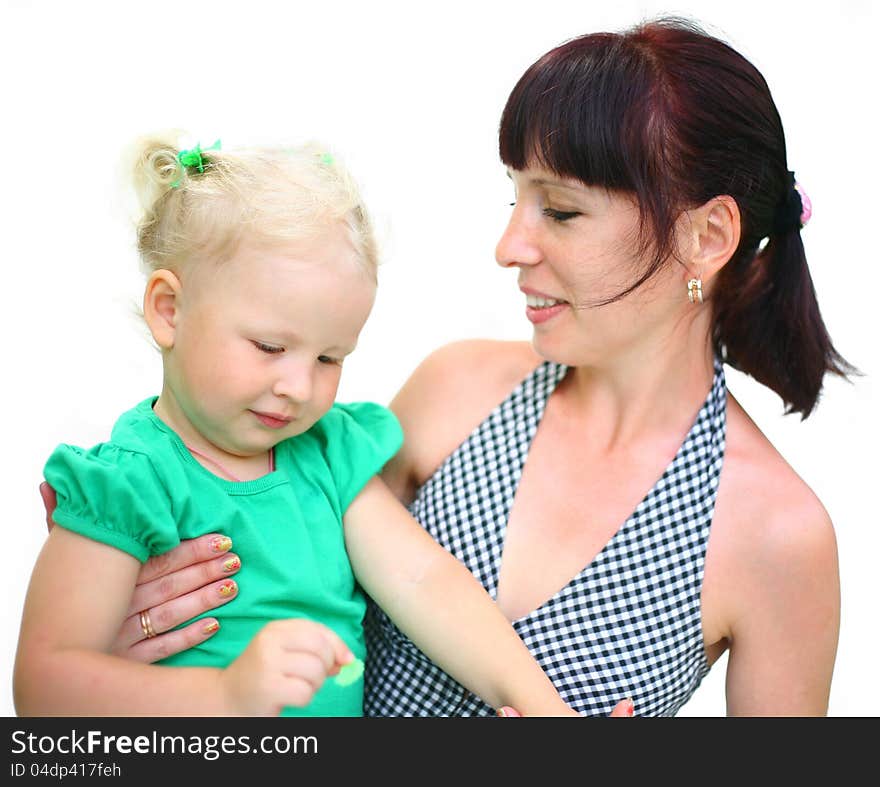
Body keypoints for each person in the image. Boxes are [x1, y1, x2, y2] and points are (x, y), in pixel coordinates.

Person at [39, 17, 847, 716]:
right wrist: (127, 640)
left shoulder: (779, 536)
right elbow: (272, 549)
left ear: (706, 237)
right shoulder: (452, 390)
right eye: (514, 201)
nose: (509, 247)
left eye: (560, 210)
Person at [14, 136, 586, 718]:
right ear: (169, 310)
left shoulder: (327, 455)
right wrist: (226, 697)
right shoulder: (128, 483)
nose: (299, 387)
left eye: (328, 358)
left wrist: (544, 709)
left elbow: (425, 584)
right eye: (269, 346)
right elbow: (43, 686)